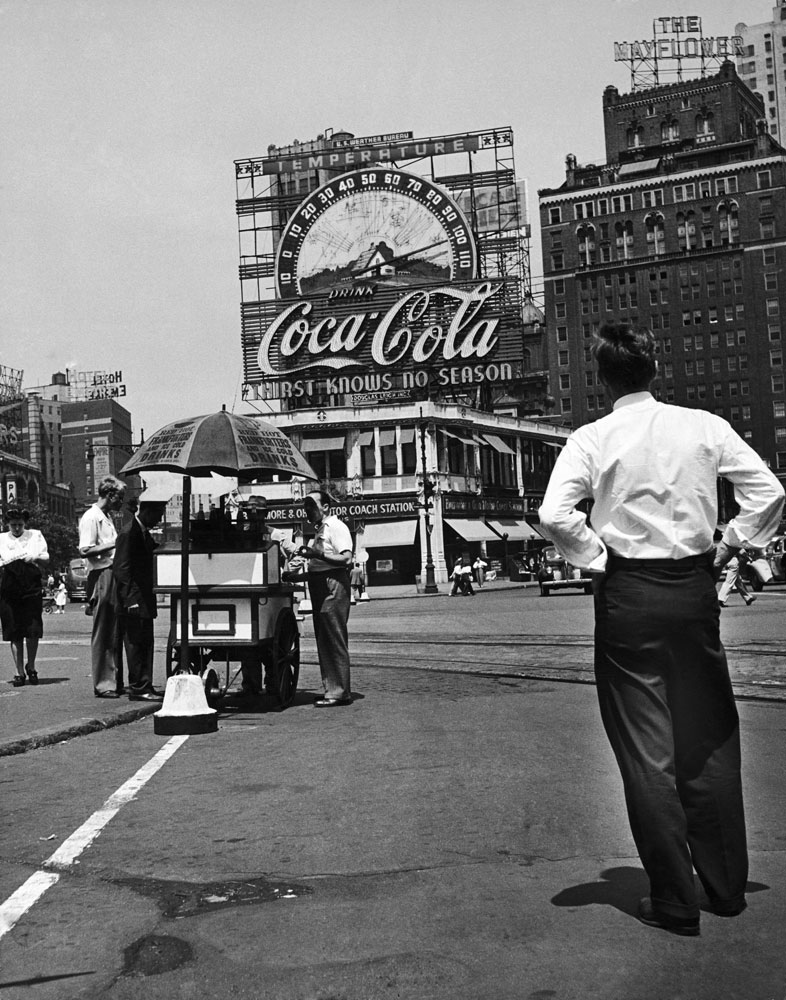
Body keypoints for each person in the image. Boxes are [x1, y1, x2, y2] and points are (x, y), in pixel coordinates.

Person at [539, 321, 784, 937]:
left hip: (627, 597)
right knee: (710, 735)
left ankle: (675, 897)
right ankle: (725, 888)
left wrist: (599, 560)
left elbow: (553, 513)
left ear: (602, 379)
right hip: (694, 589)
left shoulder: (592, 438)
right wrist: (730, 542)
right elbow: (767, 492)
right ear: (654, 370)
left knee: (647, 750)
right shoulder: (704, 425)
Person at [286, 492, 353, 707]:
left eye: (311, 505)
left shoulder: (336, 527)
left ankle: (339, 692)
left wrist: (318, 555)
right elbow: (318, 568)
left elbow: (346, 558)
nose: (307, 509)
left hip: (332, 586)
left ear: (325, 507)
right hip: (320, 584)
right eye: (305, 506)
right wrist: (297, 576)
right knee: (325, 639)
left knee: (334, 638)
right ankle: (332, 689)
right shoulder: (321, 529)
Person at [112, 500, 167, 702]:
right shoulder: (129, 533)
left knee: (145, 643)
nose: (159, 519)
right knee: (135, 644)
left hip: (143, 599)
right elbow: (121, 569)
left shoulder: (141, 532)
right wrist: (130, 600)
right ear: (146, 512)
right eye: (158, 514)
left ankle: (145, 684)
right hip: (134, 601)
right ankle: (138, 687)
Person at [79, 475, 126, 698]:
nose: (121, 502)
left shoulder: (105, 517)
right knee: (104, 631)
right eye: (120, 497)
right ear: (110, 494)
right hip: (102, 573)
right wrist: (113, 544)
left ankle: (113, 680)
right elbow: (85, 550)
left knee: (114, 630)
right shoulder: (91, 518)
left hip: (112, 572)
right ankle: (103, 683)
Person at [0, 508, 49, 686]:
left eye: (20, 525)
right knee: (14, 630)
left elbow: (46, 558)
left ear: (25, 523)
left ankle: (32, 665)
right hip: (10, 585)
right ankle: (18, 670)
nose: (17, 528)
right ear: (7, 524)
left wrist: (34, 556)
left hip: (30, 585)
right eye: (13, 525)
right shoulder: (1, 539)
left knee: (33, 628)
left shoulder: (35, 535)